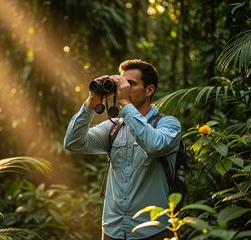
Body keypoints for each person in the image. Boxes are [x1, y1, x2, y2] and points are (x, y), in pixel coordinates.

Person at [63, 59, 181, 240]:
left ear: (149, 90)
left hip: (153, 231)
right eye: (121, 83)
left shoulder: (168, 125)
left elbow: (153, 145)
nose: (122, 88)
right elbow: (73, 142)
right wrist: (91, 102)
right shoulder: (113, 128)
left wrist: (125, 104)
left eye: (130, 84)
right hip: (113, 230)